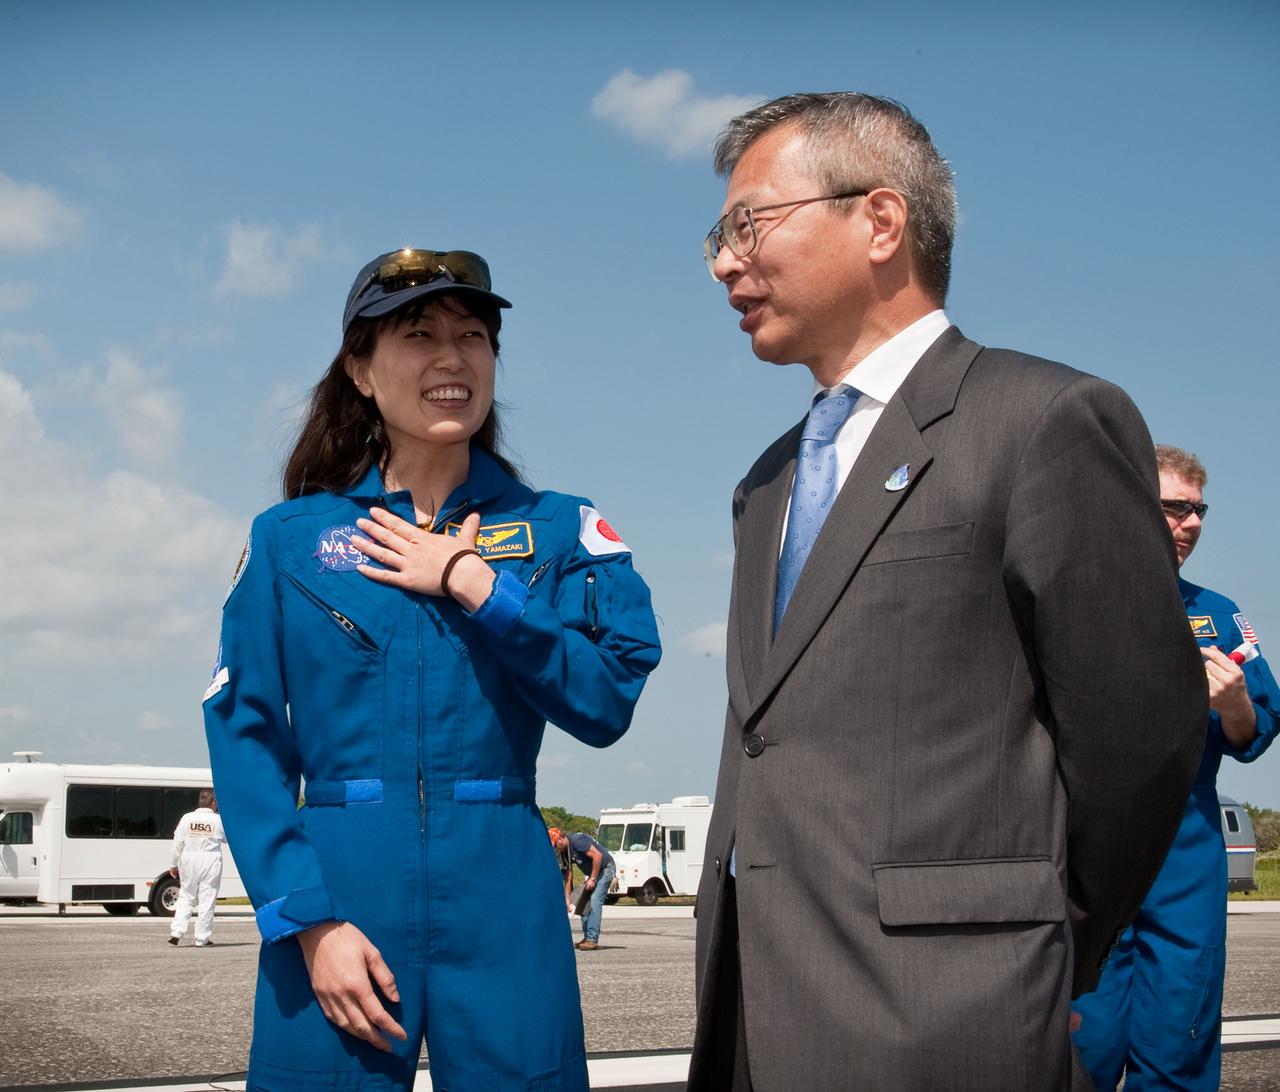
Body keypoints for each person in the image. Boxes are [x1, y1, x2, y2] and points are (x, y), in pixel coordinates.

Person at [687, 92, 1208, 1091]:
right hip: (751, 1014)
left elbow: (1139, 739)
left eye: (747, 223)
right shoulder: (767, 482)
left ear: (878, 221)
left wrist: (1027, 946)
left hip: (948, 1018)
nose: (723, 260)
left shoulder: (1041, 421)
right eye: (717, 235)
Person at [202, 247, 661, 1092]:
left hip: (505, 903)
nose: (453, 358)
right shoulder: (288, 540)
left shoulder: (562, 531)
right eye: (419, 334)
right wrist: (308, 923)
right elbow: (247, 737)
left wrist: (479, 587)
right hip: (339, 895)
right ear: (360, 369)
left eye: (474, 335)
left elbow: (605, 702)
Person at [1072, 445, 1279, 1090]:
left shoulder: (1217, 614)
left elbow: (1255, 734)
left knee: (1179, 1037)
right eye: (1174, 508)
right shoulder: (1069, 603)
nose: (1190, 524)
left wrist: (1237, 703)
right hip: (1087, 852)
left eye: (1199, 510)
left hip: (1183, 854)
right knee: (1083, 1044)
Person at [167, 788, 225, 948]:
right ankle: (201, 938)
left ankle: (176, 932)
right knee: (207, 898)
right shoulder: (218, 820)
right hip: (210, 859)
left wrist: (173, 863)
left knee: (186, 896)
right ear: (213, 803)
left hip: (188, 858)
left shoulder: (186, 818)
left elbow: (177, 841)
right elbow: (227, 839)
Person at [549, 827, 616, 951]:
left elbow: (598, 856)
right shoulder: (565, 852)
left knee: (595, 901)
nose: (556, 848)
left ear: (561, 838)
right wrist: (567, 899)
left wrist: (593, 879)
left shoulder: (577, 840)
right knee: (583, 901)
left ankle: (592, 939)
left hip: (605, 868)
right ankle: (587, 937)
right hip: (594, 872)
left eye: (556, 844)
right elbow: (568, 876)